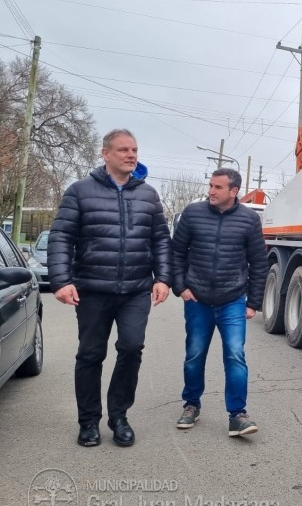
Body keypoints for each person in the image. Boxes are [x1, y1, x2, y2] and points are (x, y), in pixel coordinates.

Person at [47, 129, 171, 448]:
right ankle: (88, 421)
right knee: (91, 354)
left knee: (131, 348)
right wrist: (61, 281)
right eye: (123, 150)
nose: (131, 155)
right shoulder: (79, 191)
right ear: (105, 154)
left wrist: (163, 278)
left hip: (135, 290)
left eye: (135, 149)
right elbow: (61, 237)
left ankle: (119, 416)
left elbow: (160, 240)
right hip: (92, 289)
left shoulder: (148, 195)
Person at [171, 168, 267, 437]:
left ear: (233, 191)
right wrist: (180, 287)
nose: (211, 191)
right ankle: (191, 405)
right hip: (197, 298)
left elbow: (259, 263)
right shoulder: (193, 214)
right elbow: (176, 252)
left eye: (218, 187)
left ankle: (238, 415)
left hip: (232, 300)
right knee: (194, 355)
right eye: (210, 186)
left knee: (235, 355)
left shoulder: (249, 220)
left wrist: (253, 303)